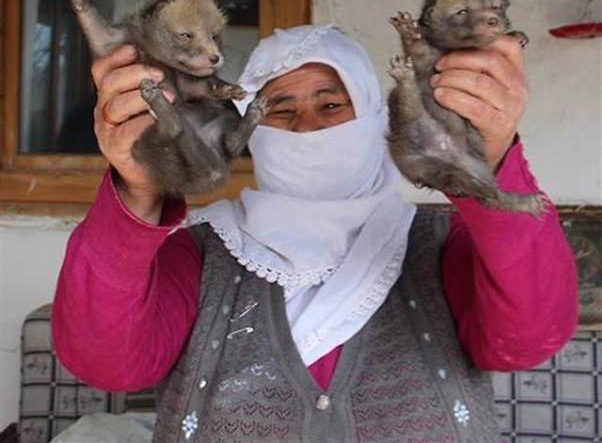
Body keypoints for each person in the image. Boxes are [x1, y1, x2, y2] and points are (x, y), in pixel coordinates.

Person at [52, 25, 577, 442]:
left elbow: (527, 340)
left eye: (331, 105)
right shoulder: (202, 250)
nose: (306, 127)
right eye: (280, 109)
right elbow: (108, 363)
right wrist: (139, 187)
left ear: (373, 117)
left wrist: (488, 163)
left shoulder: (445, 244)